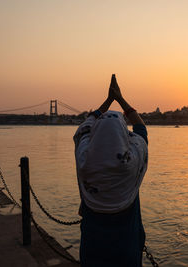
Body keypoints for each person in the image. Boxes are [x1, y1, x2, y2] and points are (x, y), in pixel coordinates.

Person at [74, 74, 148, 267]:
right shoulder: (133, 161)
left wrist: (107, 100)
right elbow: (140, 127)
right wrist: (120, 98)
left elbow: (84, 128)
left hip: (93, 247)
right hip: (127, 248)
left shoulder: (84, 159)